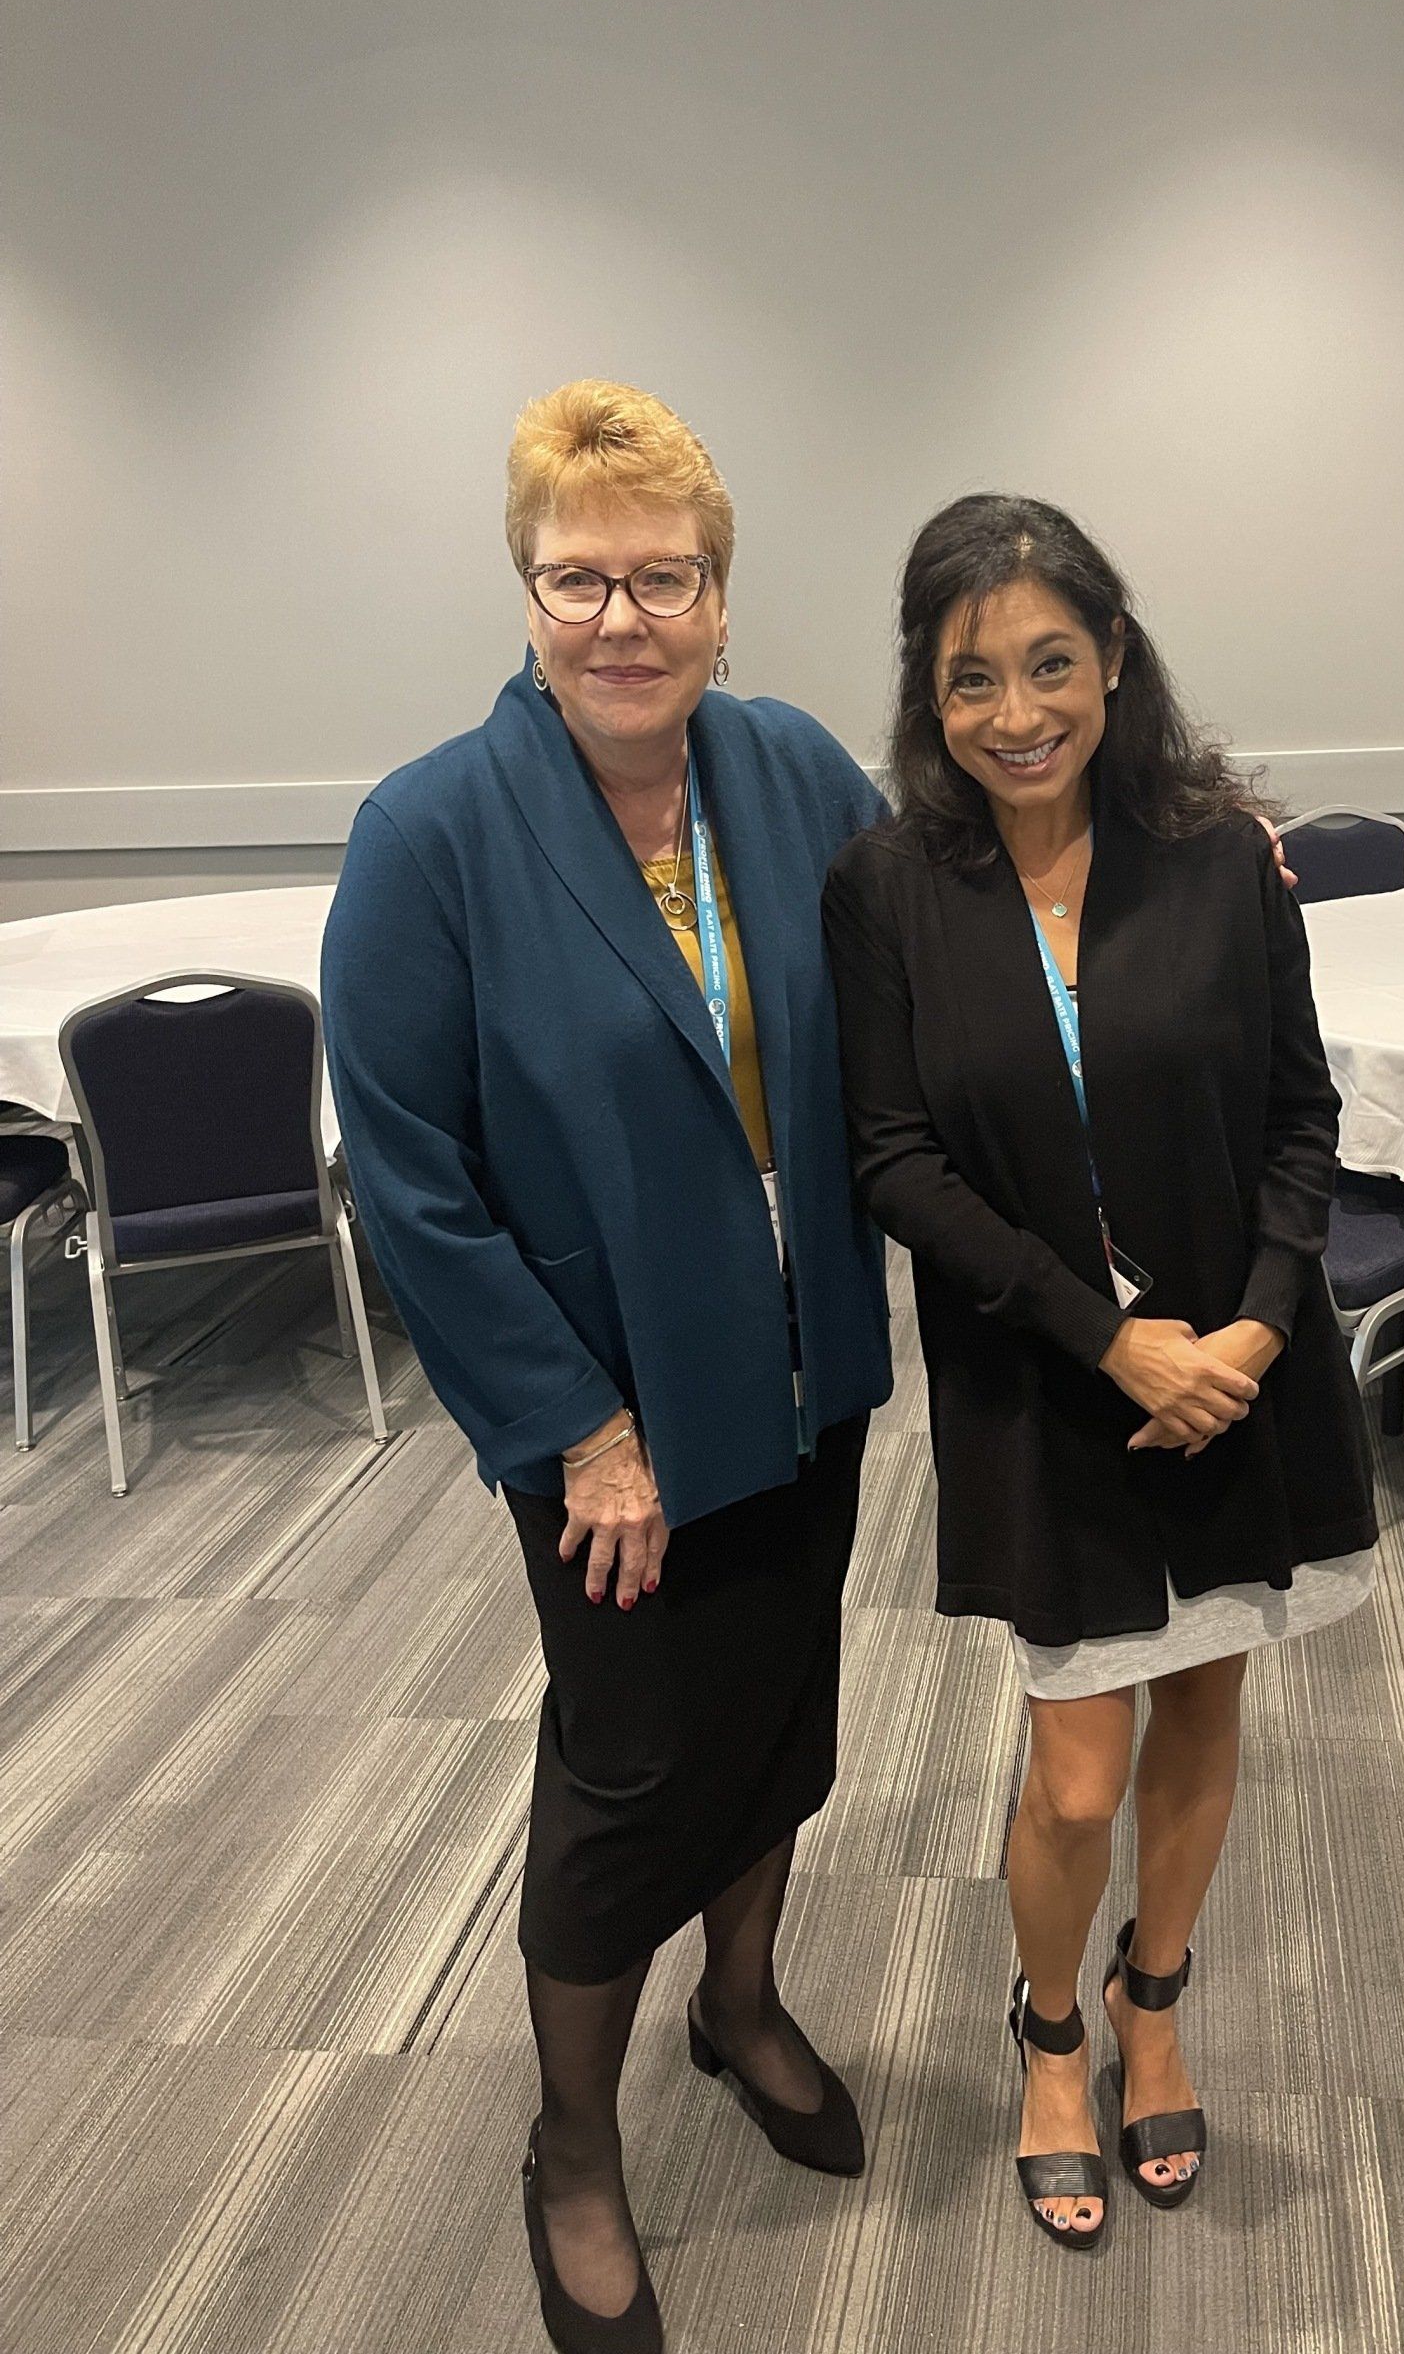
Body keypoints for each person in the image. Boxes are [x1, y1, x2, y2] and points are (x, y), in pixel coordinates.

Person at [321, 382, 893, 2354]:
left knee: (782, 1712)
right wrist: (579, 1426)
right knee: (633, 1763)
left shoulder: (794, 771)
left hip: (805, 1358)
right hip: (613, 1406)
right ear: (528, 591)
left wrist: (1173, 854)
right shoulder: (432, 833)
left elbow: (947, 943)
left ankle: (737, 2002)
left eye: (665, 577)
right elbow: (409, 1172)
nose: (624, 618)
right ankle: (573, 2142)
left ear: (723, 597)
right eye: (581, 578)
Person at [823, 495, 1376, 2248]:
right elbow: (894, 1159)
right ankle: (1049, 2033)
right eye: (971, 678)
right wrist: (1107, 1337)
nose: (1016, 712)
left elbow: (1301, 1117)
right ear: (928, 692)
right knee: (1075, 1769)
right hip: (1049, 1383)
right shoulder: (889, 889)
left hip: (1237, 1377)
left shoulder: (1219, 859)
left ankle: (1155, 2008)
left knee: (1204, 1711)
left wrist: (1258, 1329)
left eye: (1050, 662)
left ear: (1115, 658)